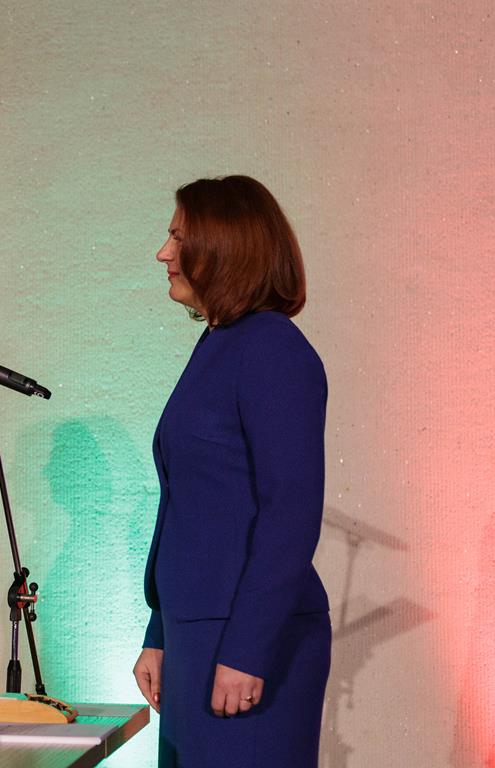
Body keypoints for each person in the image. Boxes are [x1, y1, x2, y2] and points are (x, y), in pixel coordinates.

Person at [132, 175, 331, 767]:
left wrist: (247, 650)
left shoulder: (272, 348)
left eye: (177, 238)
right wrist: (160, 632)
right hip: (196, 636)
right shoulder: (219, 344)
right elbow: (189, 508)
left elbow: (290, 512)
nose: (163, 253)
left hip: (246, 643)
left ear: (223, 249)